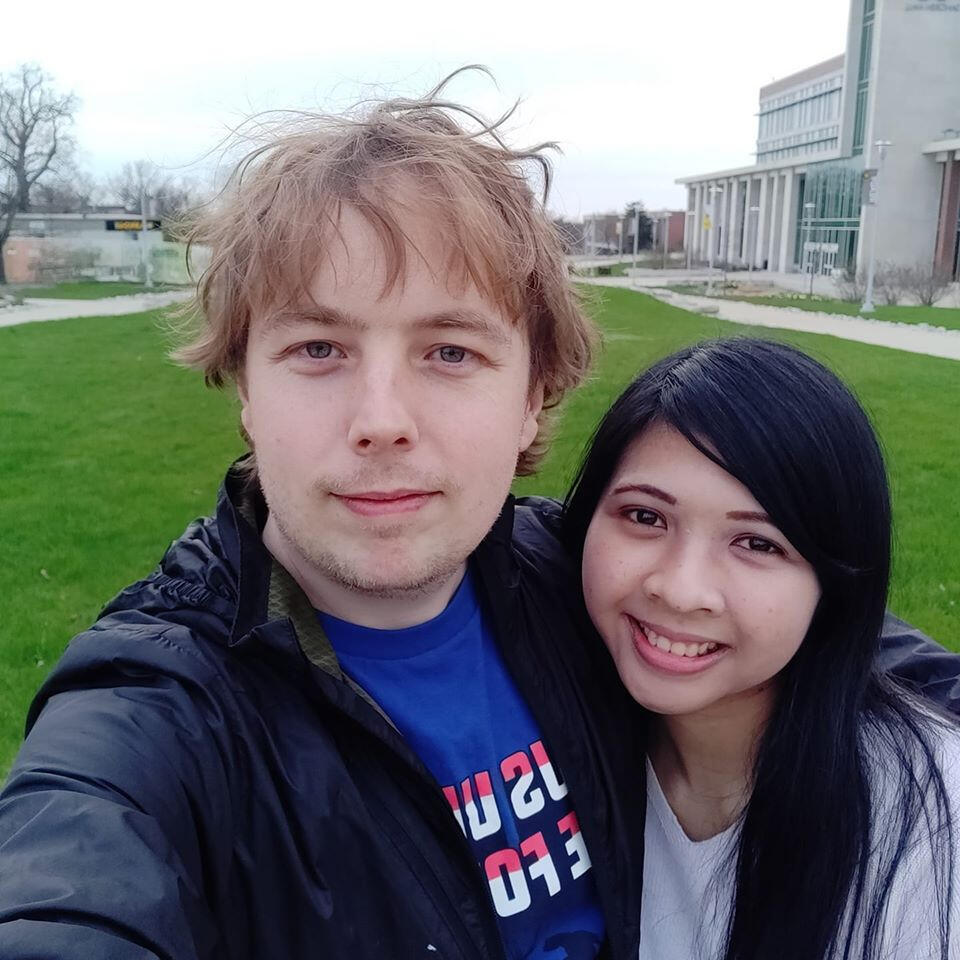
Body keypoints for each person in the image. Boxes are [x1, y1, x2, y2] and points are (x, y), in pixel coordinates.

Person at [0, 75, 955, 959]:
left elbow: (843, 634)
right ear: (245, 388)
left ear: (533, 397)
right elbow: (69, 877)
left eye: (450, 352)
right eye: (319, 348)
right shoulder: (161, 707)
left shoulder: (581, 578)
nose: (381, 420)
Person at [563, 338, 959, 960]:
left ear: (833, 583)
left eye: (757, 543)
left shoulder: (934, 828)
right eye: (644, 517)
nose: (680, 589)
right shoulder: (546, 737)